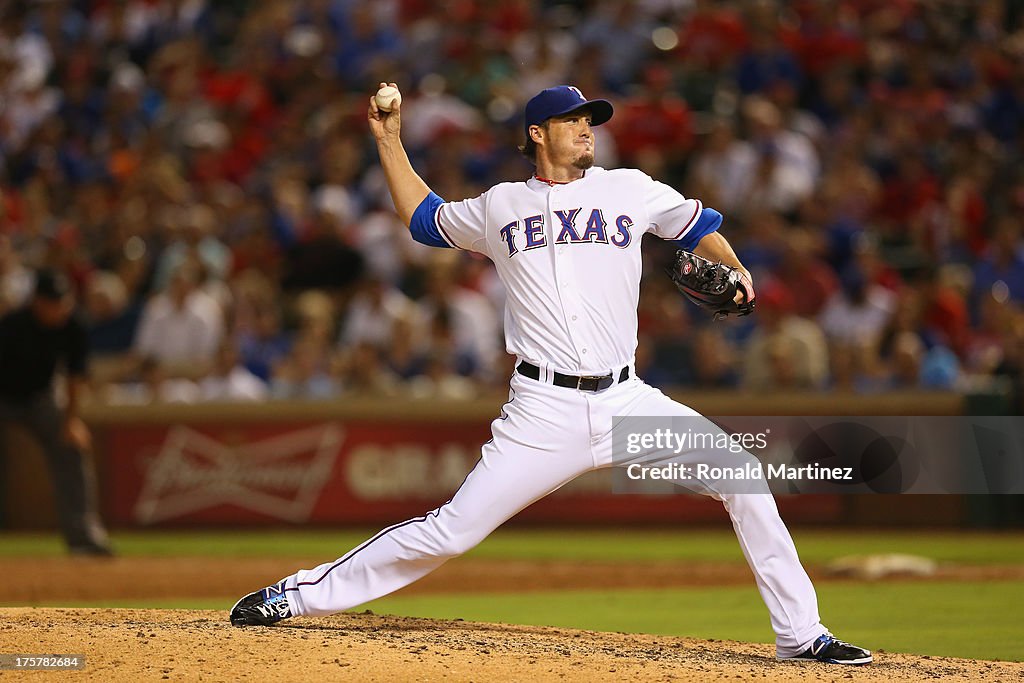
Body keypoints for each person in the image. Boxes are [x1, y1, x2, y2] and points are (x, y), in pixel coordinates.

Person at [230, 85, 872, 666]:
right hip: (543, 410)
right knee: (453, 530)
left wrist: (738, 273)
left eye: (590, 119)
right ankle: (295, 596)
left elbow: (699, 230)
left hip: (627, 401)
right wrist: (389, 139)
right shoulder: (500, 205)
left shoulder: (630, 188)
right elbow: (423, 220)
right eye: (572, 120)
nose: (587, 128)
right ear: (537, 133)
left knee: (740, 475)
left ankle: (801, 635)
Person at [0, 269, 112, 556]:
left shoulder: (73, 325)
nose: (58, 308)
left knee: (72, 447)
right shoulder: (12, 326)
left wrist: (71, 421)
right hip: (4, 396)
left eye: (62, 301)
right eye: (52, 302)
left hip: (40, 399)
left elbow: (75, 377)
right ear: (37, 302)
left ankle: (83, 537)